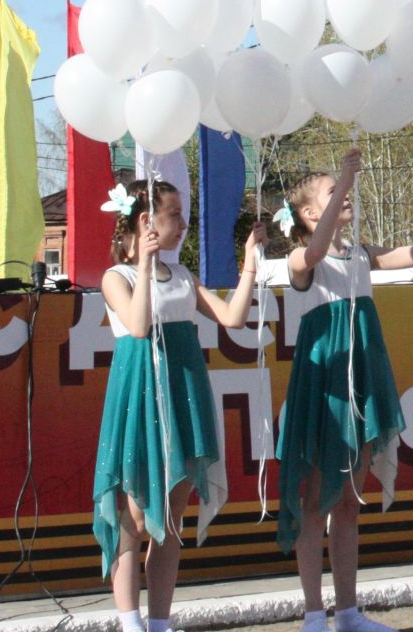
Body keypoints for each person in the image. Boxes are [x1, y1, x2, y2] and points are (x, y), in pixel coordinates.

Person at [275, 148, 413, 632]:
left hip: (363, 382)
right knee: (317, 501)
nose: (347, 195)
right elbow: (313, 253)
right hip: (325, 387)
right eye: (333, 193)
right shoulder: (299, 258)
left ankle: (348, 612)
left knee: (349, 501)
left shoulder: (360, 254)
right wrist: (347, 178)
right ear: (309, 213)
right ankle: (313, 614)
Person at [96, 180, 266, 632]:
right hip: (140, 395)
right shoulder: (118, 277)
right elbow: (136, 326)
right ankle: (130, 623)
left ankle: (159, 622)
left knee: (172, 518)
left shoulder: (185, 276)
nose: (184, 224)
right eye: (175, 215)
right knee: (134, 516)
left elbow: (232, 318)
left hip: (182, 394)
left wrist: (249, 261)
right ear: (145, 222)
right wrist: (146, 262)